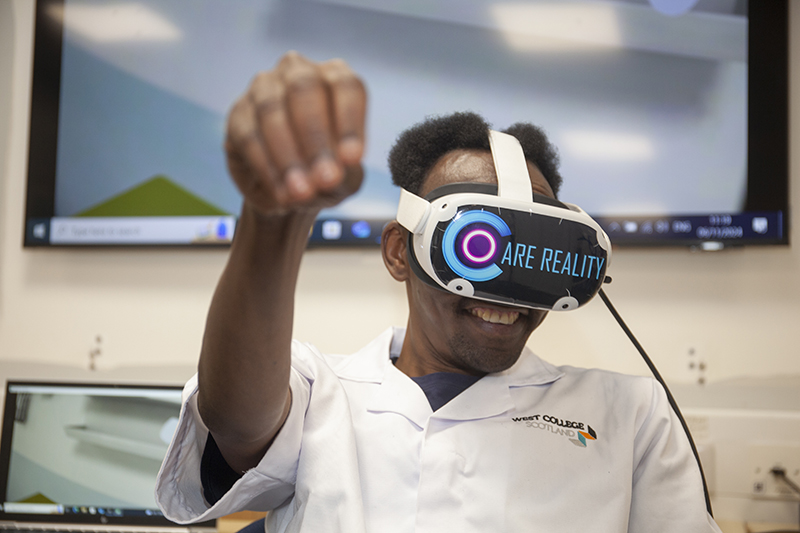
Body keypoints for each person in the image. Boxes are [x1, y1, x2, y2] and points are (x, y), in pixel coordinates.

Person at [156, 52, 722, 533]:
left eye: (531, 254)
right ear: (400, 253)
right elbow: (238, 420)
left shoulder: (630, 414)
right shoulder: (317, 392)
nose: (506, 290)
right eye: (475, 246)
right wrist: (274, 220)